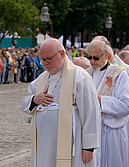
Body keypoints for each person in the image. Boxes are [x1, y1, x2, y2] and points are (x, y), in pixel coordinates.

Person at [22, 38, 100, 167]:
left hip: (70, 144)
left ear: (62, 54)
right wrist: (34, 100)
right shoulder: (42, 79)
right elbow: (25, 104)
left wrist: (89, 147)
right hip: (44, 144)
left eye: (49, 58)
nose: (46, 63)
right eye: (43, 60)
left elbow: (91, 111)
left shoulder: (79, 76)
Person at [86, 39, 129, 167]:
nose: (92, 61)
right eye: (89, 57)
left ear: (106, 55)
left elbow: (127, 106)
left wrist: (101, 100)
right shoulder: (86, 74)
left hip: (111, 133)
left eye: (95, 58)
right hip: (91, 133)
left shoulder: (118, 74)